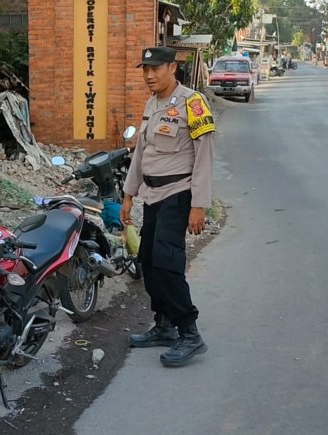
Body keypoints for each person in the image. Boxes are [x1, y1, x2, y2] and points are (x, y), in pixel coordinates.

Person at [121, 46, 214, 368]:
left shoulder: (193, 103)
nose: (149, 75)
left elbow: (204, 158)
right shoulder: (151, 103)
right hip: (152, 194)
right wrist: (129, 195)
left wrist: (199, 205)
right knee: (147, 260)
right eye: (145, 69)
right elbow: (140, 154)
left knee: (166, 261)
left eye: (156, 68)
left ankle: (189, 332)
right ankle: (164, 326)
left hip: (179, 193)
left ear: (172, 67)